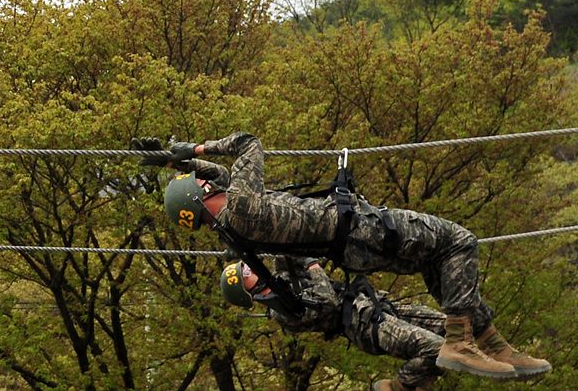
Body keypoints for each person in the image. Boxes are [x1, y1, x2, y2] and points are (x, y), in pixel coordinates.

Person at [132, 132, 551, 381]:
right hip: (361, 229)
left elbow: (221, 178)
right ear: (203, 194)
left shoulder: (232, 232)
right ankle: (463, 342)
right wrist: (196, 148)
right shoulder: (241, 206)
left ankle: (491, 341)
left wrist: (176, 159)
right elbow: (247, 143)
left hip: (354, 249)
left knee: (437, 260)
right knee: (459, 241)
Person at [220, 257, 446, 391]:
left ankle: (420, 379)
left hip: (375, 306)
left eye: (245, 266)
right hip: (363, 325)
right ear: (247, 291)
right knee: (437, 348)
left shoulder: (280, 281)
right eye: (245, 273)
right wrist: (313, 267)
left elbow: (284, 254)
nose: (249, 268)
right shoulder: (282, 312)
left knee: (453, 327)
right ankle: (400, 386)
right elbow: (327, 300)